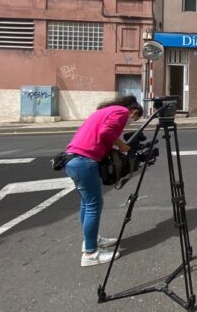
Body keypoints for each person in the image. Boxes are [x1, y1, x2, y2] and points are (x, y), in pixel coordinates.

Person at [63, 95, 143, 266]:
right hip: (85, 161)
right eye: (134, 119)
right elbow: (106, 132)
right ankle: (90, 254)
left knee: (87, 204)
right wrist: (124, 147)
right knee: (94, 205)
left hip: (73, 159)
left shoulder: (105, 111)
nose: (130, 123)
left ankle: (91, 240)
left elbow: (101, 135)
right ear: (134, 112)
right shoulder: (121, 111)